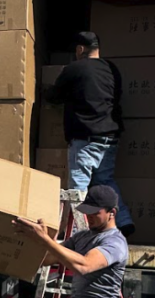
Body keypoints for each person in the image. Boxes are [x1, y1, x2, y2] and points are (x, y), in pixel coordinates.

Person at [45, 31, 134, 236]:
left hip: (85, 138)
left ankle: (79, 235)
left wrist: (45, 90)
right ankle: (123, 220)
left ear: (80, 49)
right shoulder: (112, 69)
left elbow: (54, 96)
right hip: (110, 137)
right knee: (106, 182)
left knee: (78, 190)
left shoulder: (74, 69)